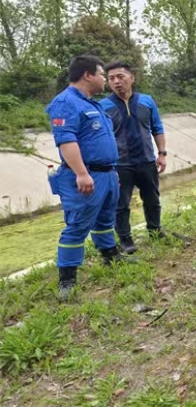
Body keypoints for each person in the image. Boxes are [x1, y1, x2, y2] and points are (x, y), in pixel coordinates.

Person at [45, 55, 126, 300]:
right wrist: (81, 173)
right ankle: (67, 278)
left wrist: (112, 172)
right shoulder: (66, 103)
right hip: (85, 175)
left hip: (106, 174)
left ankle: (110, 256)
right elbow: (66, 141)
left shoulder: (92, 104)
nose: (105, 79)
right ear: (87, 75)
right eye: (102, 74)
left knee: (105, 219)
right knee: (78, 224)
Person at [99, 62, 167, 254]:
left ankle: (155, 230)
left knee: (152, 199)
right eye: (111, 78)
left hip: (146, 160)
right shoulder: (103, 106)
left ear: (132, 78)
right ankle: (125, 240)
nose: (116, 82)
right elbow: (100, 137)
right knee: (120, 204)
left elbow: (157, 128)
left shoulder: (147, 101)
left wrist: (162, 154)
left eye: (120, 77)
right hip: (119, 165)